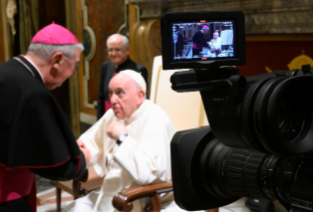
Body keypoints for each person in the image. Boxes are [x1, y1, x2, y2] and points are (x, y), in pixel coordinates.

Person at [63, 70, 187, 212]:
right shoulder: (114, 114)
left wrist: (122, 138)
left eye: (120, 93)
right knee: (77, 207)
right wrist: (82, 149)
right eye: (111, 93)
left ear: (139, 96)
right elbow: (92, 142)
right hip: (116, 190)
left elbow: (150, 175)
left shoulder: (156, 119)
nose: (112, 100)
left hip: (148, 197)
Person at [0, 23, 90, 212]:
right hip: (7, 198)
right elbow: (58, 167)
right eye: (75, 65)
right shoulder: (33, 93)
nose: (73, 74)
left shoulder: (6, 72)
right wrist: (82, 159)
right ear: (57, 60)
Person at [97, 34, 148, 120]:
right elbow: (101, 98)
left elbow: (141, 101)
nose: (113, 53)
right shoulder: (106, 66)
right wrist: (100, 121)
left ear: (127, 50)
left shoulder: (139, 69)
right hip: (108, 118)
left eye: (117, 50)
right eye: (110, 50)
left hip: (128, 119)